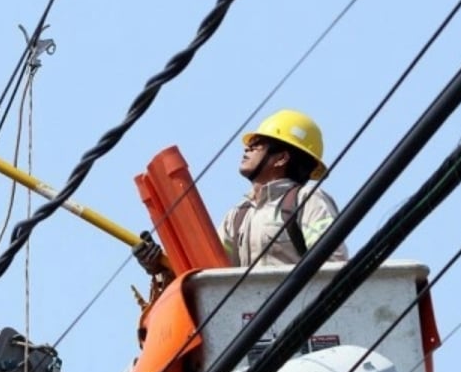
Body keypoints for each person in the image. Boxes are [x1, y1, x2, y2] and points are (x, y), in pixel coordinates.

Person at [135, 109, 347, 273]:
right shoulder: (237, 216)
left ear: (281, 158)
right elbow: (210, 274)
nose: (247, 148)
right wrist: (160, 265)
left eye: (257, 145)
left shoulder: (307, 201)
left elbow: (332, 268)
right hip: (250, 322)